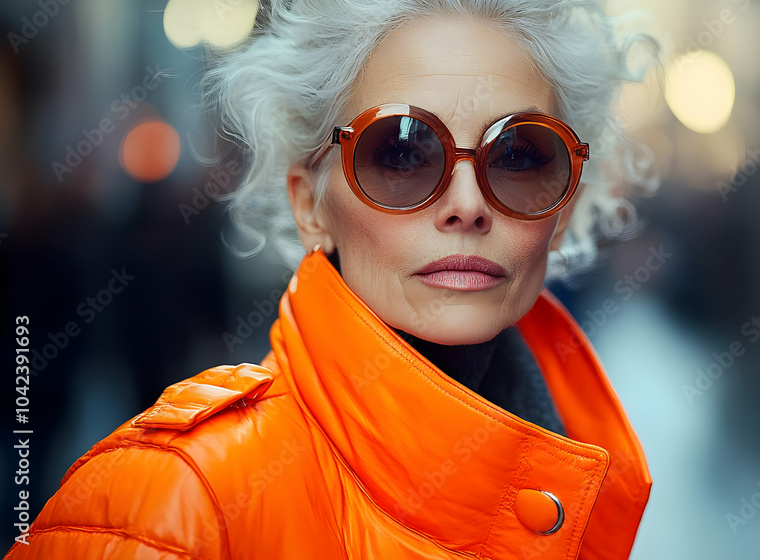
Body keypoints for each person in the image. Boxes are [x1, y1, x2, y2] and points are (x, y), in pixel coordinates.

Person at [6, 1, 658, 558]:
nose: (468, 203)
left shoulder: (581, 485)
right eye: (401, 150)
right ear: (310, 205)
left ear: (564, 206)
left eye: (520, 155)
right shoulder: (167, 504)